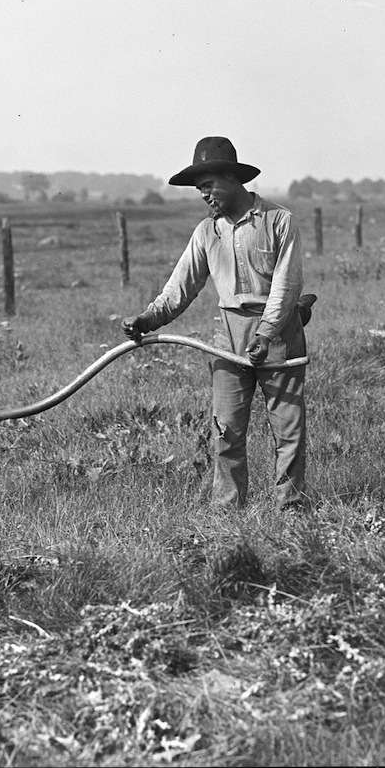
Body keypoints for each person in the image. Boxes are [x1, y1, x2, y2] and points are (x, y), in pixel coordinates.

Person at [121, 137, 309, 512]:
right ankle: (226, 511)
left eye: (208, 185)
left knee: (287, 431)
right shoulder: (207, 232)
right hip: (228, 336)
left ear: (231, 177)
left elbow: (287, 287)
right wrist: (147, 318)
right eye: (198, 189)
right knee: (226, 429)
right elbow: (181, 286)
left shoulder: (278, 220)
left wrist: (267, 332)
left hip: (278, 334)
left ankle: (291, 510)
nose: (204, 195)